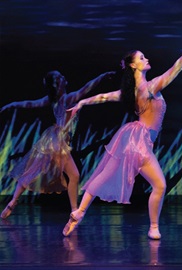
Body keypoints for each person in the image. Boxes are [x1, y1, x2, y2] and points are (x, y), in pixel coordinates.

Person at [62, 35, 182, 239]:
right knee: (159, 185)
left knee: (104, 175)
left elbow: (103, 97)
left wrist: (81, 104)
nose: (146, 59)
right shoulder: (150, 87)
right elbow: (176, 69)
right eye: (142, 58)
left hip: (131, 138)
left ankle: (79, 212)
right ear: (133, 66)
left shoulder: (129, 92)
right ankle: (153, 228)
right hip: (139, 141)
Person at [0, 70, 114, 219]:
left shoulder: (52, 100)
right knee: (74, 175)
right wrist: (102, 76)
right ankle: (74, 210)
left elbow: (30, 104)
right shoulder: (68, 98)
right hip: (58, 141)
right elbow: (87, 88)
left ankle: (13, 201)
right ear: (58, 84)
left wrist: (12, 104)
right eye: (60, 77)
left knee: (32, 172)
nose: (63, 77)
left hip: (51, 139)